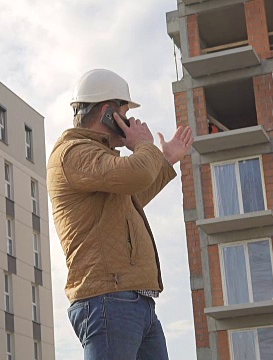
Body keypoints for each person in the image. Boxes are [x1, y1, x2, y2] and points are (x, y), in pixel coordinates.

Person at [47, 69, 193, 360]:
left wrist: (164, 160)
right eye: (125, 114)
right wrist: (143, 145)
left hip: (134, 301)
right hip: (108, 301)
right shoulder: (74, 153)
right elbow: (136, 174)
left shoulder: (100, 161)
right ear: (107, 113)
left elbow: (132, 197)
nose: (130, 122)